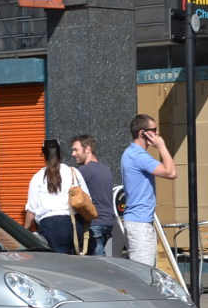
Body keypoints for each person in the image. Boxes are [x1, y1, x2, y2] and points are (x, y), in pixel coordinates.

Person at [120, 114, 177, 266]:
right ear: (142, 133)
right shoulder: (138, 156)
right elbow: (171, 172)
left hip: (138, 221)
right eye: (154, 130)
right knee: (144, 274)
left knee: (145, 272)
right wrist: (162, 146)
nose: (157, 134)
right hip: (140, 224)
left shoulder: (130, 153)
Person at [23, 138, 90, 254]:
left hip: (50, 227)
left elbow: (32, 210)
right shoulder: (73, 172)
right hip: (74, 224)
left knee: (56, 267)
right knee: (76, 265)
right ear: (61, 153)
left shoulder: (38, 178)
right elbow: (88, 198)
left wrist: (24, 230)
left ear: (43, 155)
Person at [70, 135, 115, 256]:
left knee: (99, 265)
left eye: (76, 150)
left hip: (94, 225)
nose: (73, 154)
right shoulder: (106, 169)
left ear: (88, 149)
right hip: (108, 223)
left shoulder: (83, 172)